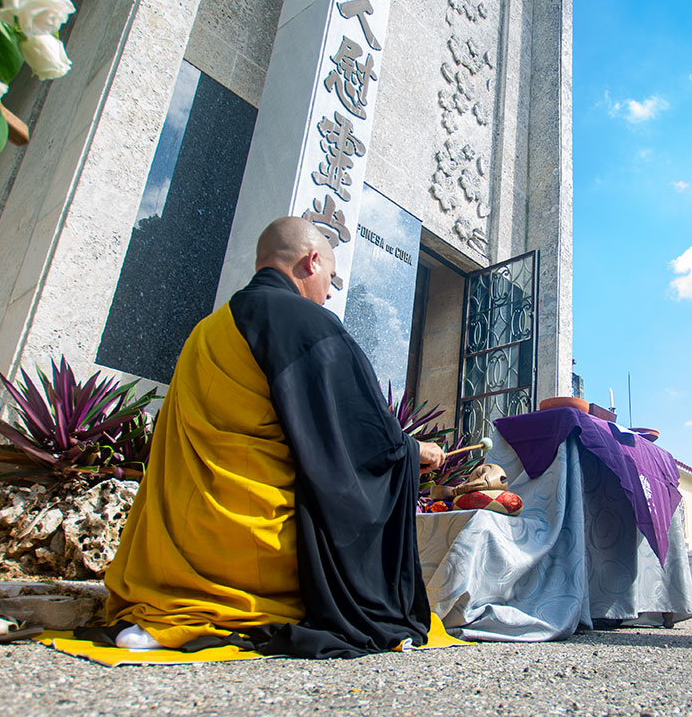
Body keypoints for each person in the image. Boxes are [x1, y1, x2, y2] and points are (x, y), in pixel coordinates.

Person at [100, 217, 445, 658]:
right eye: (332, 277)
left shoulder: (208, 329)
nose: (332, 290)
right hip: (249, 557)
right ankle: (225, 610)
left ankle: (169, 617)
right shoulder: (306, 323)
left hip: (170, 553)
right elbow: (360, 440)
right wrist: (415, 450)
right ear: (311, 260)